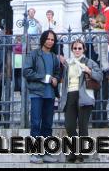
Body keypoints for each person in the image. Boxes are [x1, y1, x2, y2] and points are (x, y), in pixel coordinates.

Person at [59, 40, 102, 163]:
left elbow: (100, 76)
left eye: (79, 48)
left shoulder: (89, 62)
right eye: (75, 48)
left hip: (84, 95)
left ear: (84, 49)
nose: (77, 50)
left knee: (83, 126)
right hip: (70, 95)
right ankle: (76, 150)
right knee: (69, 125)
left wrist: (89, 71)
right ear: (72, 50)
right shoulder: (68, 63)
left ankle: (79, 154)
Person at [23, 30, 61, 164]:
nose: (50, 41)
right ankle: (35, 153)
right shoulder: (34, 54)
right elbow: (26, 71)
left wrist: (56, 78)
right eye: (48, 39)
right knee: (35, 124)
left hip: (50, 94)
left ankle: (46, 153)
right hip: (37, 93)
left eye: (52, 39)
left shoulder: (54, 57)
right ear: (43, 39)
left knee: (47, 125)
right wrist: (44, 78)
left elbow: (57, 72)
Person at [91, 15, 109, 128]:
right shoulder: (100, 35)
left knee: (96, 96)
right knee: (103, 96)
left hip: (93, 68)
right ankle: (102, 122)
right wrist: (106, 69)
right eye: (104, 23)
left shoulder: (91, 34)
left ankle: (96, 122)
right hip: (101, 67)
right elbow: (102, 54)